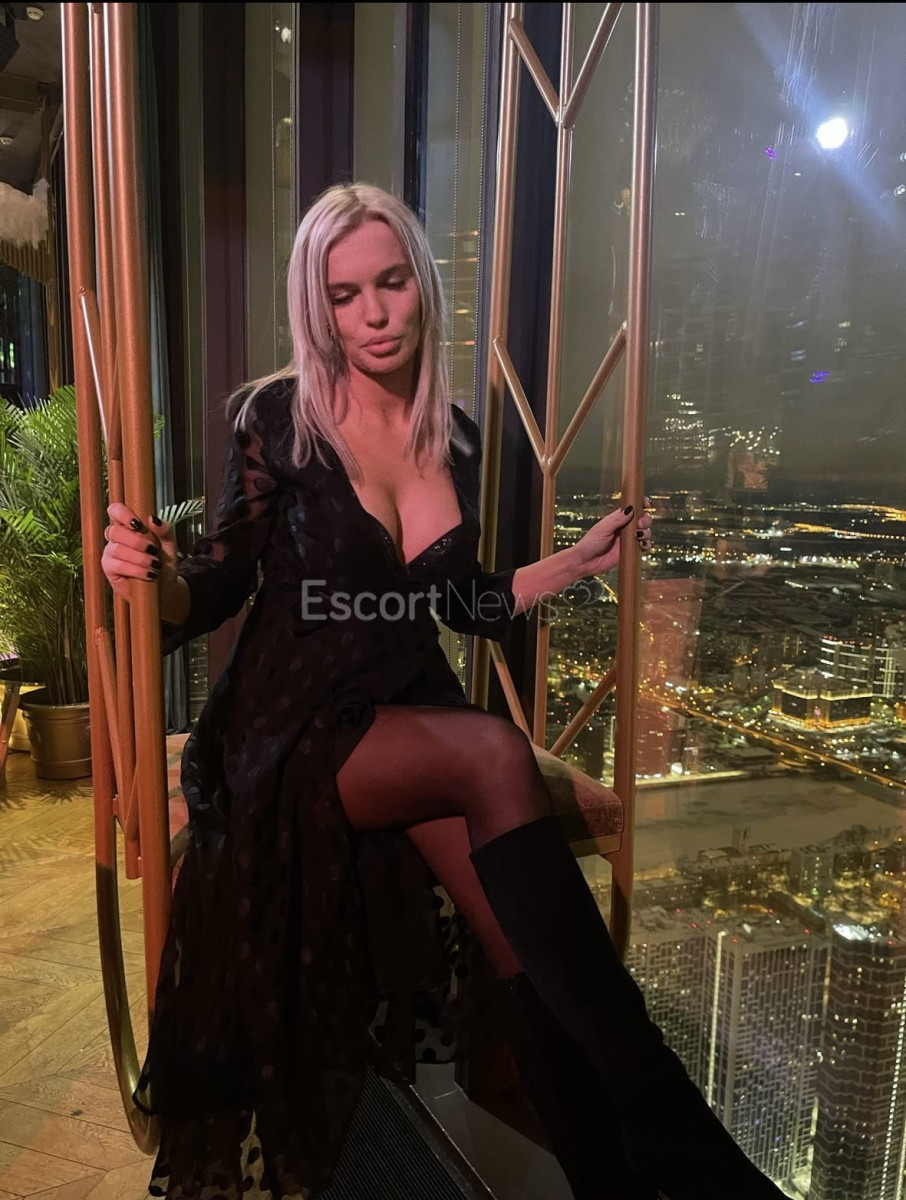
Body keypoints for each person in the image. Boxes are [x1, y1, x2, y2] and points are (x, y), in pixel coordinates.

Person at [101, 183, 783, 1200]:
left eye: (391, 283)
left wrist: (573, 563)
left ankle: (618, 1171)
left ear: (423, 285)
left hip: (402, 707)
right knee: (493, 751)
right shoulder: (279, 419)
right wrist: (151, 580)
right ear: (316, 307)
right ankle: (686, 1147)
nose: (374, 315)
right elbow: (217, 585)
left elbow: (464, 599)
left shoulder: (454, 434)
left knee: (528, 954)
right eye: (344, 295)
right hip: (290, 727)